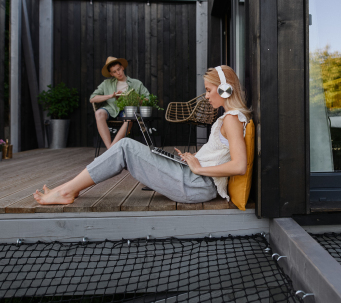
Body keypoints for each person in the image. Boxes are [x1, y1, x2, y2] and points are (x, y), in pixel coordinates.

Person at [34, 65, 251, 205]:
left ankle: (66, 191)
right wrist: (193, 160)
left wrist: (199, 167)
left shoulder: (232, 119)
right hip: (194, 178)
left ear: (225, 90)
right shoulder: (232, 117)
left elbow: (239, 165)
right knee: (131, 147)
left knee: (125, 147)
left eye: (209, 90)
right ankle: (66, 188)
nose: (206, 96)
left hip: (197, 184)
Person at [90, 56, 150, 150]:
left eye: (118, 69)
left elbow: (149, 99)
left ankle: (110, 150)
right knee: (99, 113)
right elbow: (92, 98)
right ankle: (111, 149)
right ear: (111, 73)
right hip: (110, 109)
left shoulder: (136, 83)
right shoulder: (106, 83)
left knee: (130, 115)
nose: (118, 73)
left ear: (122, 67)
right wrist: (111, 96)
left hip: (127, 110)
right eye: (114, 71)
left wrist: (136, 98)